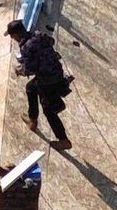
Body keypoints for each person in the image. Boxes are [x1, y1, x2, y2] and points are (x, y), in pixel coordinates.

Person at [7, 20, 74, 151]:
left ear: (16, 34)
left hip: (47, 80)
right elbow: (51, 41)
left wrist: (20, 70)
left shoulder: (26, 47)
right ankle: (32, 120)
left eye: (12, 35)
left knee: (49, 111)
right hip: (56, 71)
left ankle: (64, 140)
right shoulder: (38, 34)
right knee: (30, 88)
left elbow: (30, 69)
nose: (12, 38)